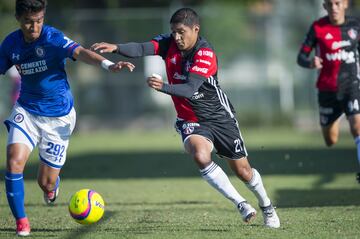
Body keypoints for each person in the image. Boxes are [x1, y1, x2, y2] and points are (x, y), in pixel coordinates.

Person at [91, 7, 280, 228]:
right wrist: (116, 48)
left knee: (243, 171)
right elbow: (142, 48)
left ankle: (267, 206)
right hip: (190, 119)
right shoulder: (168, 43)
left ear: (195, 29)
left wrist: (162, 86)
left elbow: (190, 89)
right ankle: (240, 203)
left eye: (181, 32)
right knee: (200, 155)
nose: (177, 37)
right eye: (173, 32)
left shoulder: (205, 53)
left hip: (220, 117)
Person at [0, 0, 135, 236]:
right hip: (27, 110)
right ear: (19, 20)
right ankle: (21, 221)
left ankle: (52, 188)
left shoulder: (52, 37)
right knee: (13, 161)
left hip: (58, 117)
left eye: (39, 21)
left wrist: (107, 65)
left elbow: (81, 52)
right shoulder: (10, 43)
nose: (34, 27)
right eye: (29, 22)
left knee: (46, 183)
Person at [297, 0, 360, 182]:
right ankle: (338, 115)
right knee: (330, 140)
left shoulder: (355, 26)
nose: (334, 8)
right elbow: (301, 57)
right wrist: (311, 63)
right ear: (325, 6)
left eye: (338, 3)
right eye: (330, 4)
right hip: (327, 90)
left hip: (351, 86)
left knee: (357, 127)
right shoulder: (317, 27)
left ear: (345, 4)